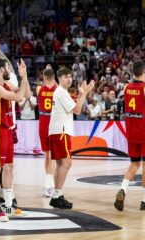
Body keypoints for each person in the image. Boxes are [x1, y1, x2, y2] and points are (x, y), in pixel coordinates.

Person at [114, 60, 145, 211]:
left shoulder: (127, 87)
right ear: (144, 72)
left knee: (134, 164)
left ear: (133, 72)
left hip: (132, 132)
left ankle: (123, 189)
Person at [0, 58, 29, 222]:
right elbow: (18, 98)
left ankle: (9, 205)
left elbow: (24, 94)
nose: (9, 71)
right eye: (6, 69)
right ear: (0, 70)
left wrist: (24, 76)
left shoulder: (5, 85)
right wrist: (22, 78)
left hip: (6, 129)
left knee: (9, 167)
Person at [48, 68, 94, 209]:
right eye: (66, 77)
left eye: (70, 77)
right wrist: (85, 93)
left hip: (57, 131)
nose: (69, 79)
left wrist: (81, 94)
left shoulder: (61, 92)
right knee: (66, 163)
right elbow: (77, 110)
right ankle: (57, 195)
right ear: (59, 78)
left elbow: (74, 107)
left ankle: (57, 195)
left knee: (61, 164)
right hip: (61, 132)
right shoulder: (61, 92)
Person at [36, 67, 57, 197]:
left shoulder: (39, 89)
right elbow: (55, 84)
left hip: (43, 122)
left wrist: (47, 74)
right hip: (53, 122)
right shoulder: (57, 90)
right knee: (53, 155)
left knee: (47, 155)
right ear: (54, 77)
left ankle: (48, 182)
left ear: (43, 77)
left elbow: (46, 82)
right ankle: (49, 184)